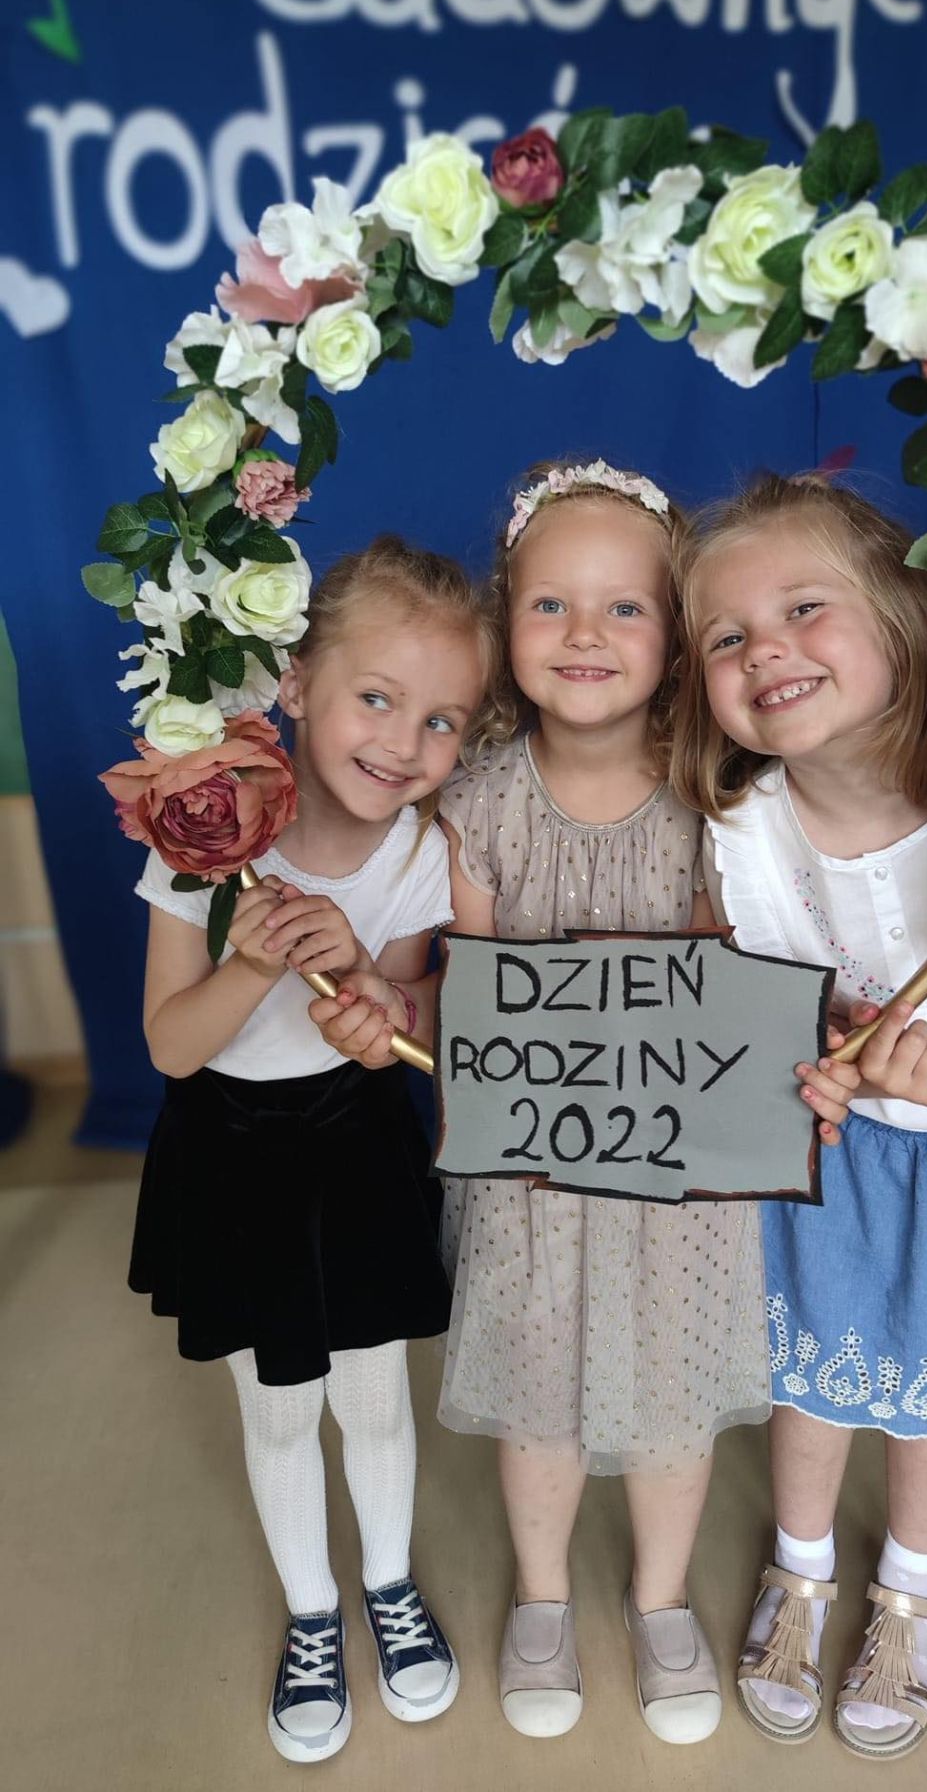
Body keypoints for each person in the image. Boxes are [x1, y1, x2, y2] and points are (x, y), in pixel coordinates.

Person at [319, 459, 851, 1748]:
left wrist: (807, 1064)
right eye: (551, 605)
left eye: (625, 608)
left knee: (672, 1407)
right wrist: (389, 1010)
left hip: (682, 1189)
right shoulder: (476, 807)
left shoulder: (723, 805)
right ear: (508, 624)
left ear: (675, 637)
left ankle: (662, 1602)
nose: (586, 634)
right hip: (530, 1183)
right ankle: (543, 1599)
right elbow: (460, 990)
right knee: (537, 1400)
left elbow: (742, 994)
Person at [673, 470, 927, 1759]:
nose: (766, 650)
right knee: (817, 1371)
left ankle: (910, 1587)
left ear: (906, 616)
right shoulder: (741, 825)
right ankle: (799, 1567)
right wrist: (824, 1056)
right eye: (727, 636)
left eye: (804, 609)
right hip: (834, 1158)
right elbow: (736, 1001)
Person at [128, 536, 493, 1762]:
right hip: (233, 1156)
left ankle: (389, 1582)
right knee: (281, 1410)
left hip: (357, 1146)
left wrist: (374, 992)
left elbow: (402, 1024)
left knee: (376, 1400)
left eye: (441, 720)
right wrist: (252, 960)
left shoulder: (425, 854)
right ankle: (313, 1611)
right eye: (375, 698)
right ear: (294, 684)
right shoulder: (201, 834)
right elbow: (172, 1047)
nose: (404, 743)